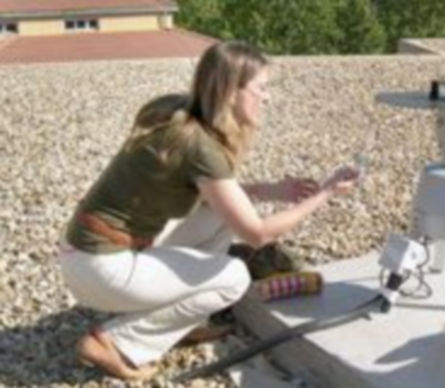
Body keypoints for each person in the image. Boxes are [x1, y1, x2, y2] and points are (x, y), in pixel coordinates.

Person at [57, 41, 360, 380]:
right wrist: (326, 193)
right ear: (231, 91)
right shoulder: (200, 146)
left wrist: (269, 190)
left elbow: (215, 199)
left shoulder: (179, 112)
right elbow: (259, 234)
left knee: (220, 218)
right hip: (104, 269)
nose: (268, 97)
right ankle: (114, 341)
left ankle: (177, 325)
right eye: (261, 88)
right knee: (234, 278)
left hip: (85, 254)